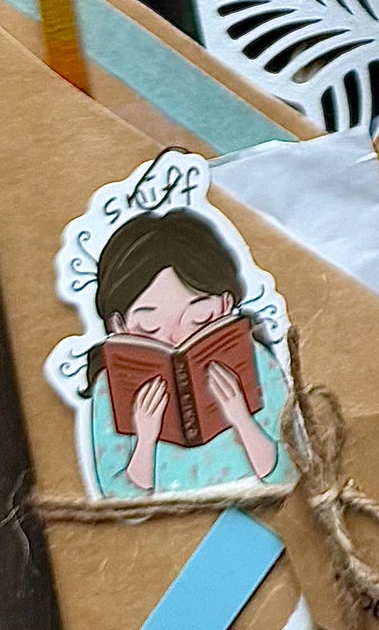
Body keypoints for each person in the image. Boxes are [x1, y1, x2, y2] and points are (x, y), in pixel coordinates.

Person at [82, 207, 294, 499]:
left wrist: (241, 418)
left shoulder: (257, 361)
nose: (176, 339)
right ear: (118, 325)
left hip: (259, 507)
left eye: (200, 318)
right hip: (166, 522)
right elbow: (117, 498)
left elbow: (288, 471)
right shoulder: (109, 388)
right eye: (149, 327)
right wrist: (145, 438)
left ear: (226, 304)